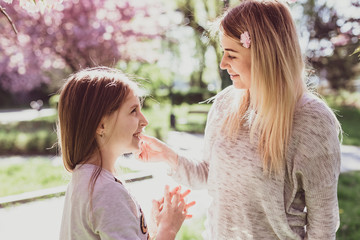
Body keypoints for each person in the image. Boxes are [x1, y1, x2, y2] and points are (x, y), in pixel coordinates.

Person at [138, 0, 342, 239]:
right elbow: (208, 173)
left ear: (264, 54)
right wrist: (169, 158)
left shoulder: (313, 121)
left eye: (231, 54)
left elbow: (323, 227)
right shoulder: (225, 103)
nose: (223, 64)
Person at [57, 66, 194, 240]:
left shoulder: (85, 179)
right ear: (101, 125)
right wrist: (168, 229)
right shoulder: (106, 191)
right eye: (133, 111)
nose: (145, 121)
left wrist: (152, 227)